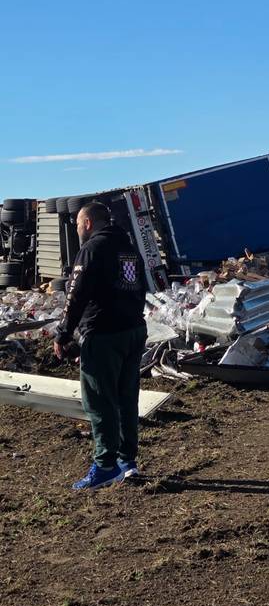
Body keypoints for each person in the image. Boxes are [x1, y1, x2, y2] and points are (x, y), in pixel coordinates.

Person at [54, 202, 147, 491]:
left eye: (79, 223)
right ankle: (126, 461)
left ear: (89, 223)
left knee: (99, 401)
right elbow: (138, 287)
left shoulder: (92, 249)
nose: (78, 229)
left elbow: (76, 293)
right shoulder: (128, 248)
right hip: (132, 331)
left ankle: (105, 466)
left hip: (103, 334)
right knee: (126, 397)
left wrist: (63, 333)